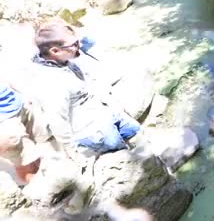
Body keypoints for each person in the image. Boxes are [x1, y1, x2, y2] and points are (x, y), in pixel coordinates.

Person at [30, 23, 143, 159]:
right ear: (55, 51)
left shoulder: (63, 60)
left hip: (105, 114)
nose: (80, 46)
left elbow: (90, 84)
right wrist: (71, 150)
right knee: (125, 156)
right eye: (75, 44)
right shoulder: (52, 83)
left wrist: (112, 104)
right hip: (94, 131)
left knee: (136, 131)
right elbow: (57, 120)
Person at [0, 84, 42, 184]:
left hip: (8, 127)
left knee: (28, 167)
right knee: (32, 158)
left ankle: (42, 191)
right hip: (16, 103)